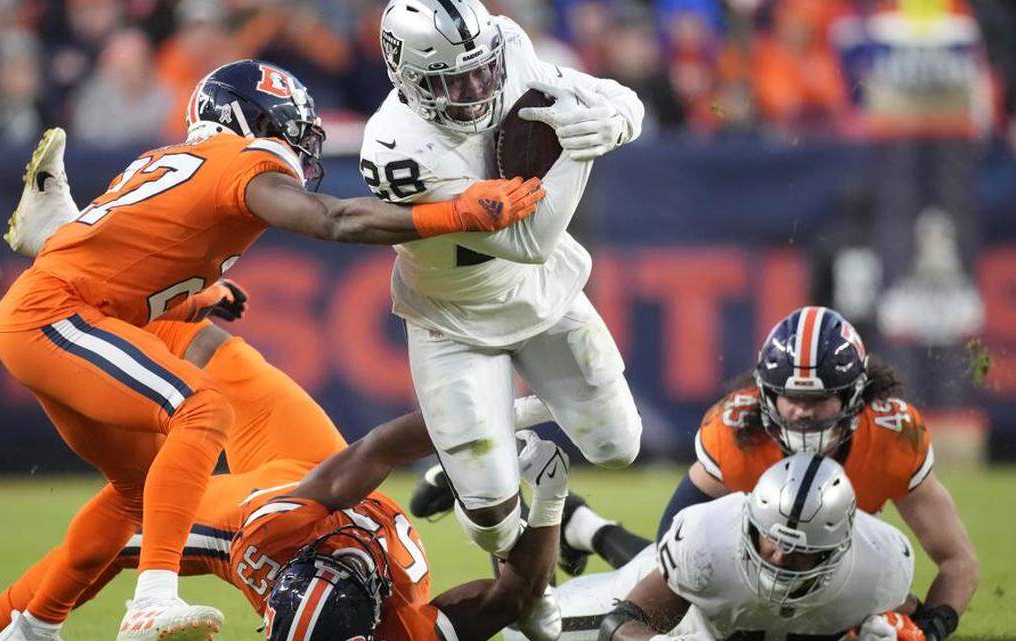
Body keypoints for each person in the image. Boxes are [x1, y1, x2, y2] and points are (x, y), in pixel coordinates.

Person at [0, 59, 544, 641]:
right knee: (201, 410)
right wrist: (457, 213)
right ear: (249, 123)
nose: (299, 152)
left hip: (73, 311)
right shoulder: (240, 159)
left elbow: (131, 267)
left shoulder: (172, 161)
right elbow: (333, 219)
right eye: (288, 130)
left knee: (139, 493)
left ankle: (11, 627)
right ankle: (150, 602)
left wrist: (196, 293)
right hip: (55, 315)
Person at [0, 320, 569, 641]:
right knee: (224, 354)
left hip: (265, 527)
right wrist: (534, 476)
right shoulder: (293, 537)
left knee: (133, 518)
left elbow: (513, 597)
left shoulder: (258, 549)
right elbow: (513, 593)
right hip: (308, 496)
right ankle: (108, 273)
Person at [358, 0, 645, 587]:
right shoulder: (396, 149)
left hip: (541, 292)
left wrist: (614, 122)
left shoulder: (509, 49)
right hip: (453, 317)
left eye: (481, 69)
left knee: (619, 446)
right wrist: (580, 150)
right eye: (451, 79)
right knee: (492, 523)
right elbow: (529, 238)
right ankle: (494, 461)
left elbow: (620, 97)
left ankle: (477, 429)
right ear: (407, 78)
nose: (475, 87)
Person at [548, 306, 977, 641]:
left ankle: (587, 525)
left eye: (821, 398)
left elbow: (957, 560)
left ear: (854, 396)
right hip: (742, 559)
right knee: (682, 577)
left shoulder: (892, 438)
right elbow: (674, 555)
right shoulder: (738, 433)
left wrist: (931, 628)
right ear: (766, 392)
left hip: (827, 566)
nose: (802, 411)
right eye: (789, 397)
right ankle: (588, 528)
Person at [514, 453, 921, 641]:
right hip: (687, 622)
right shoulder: (709, 539)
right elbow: (620, 624)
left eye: (798, 553)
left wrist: (903, 630)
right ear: (751, 524)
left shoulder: (882, 565)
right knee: (526, 629)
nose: (778, 560)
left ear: (836, 550)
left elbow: (901, 610)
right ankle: (518, 512)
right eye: (772, 542)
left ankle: (585, 524)